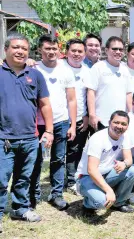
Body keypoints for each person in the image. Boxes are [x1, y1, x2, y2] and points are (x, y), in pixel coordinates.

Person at [0, 33, 54, 230]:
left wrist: (49, 131)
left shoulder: (36, 75)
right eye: (15, 47)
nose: (20, 51)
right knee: (0, 178)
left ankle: (20, 208)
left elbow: (45, 105)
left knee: (24, 177)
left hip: (30, 138)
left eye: (24, 48)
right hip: (3, 138)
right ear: (6, 49)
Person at [30, 34, 76, 211]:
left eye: (54, 48)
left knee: (58, 159)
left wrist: (72, 124)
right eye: (47, 48)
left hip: (60, 121)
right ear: (40, 50)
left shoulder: (66, 70)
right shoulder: (33, 68)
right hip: (37, 123)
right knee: (36, 160)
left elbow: (71, 100)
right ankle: (33, 195)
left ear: (59, 50)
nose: (51, 52)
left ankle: (56, 194)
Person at [76, 111, 134, 214]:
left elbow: (129, 160)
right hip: (86, 177)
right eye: (116, 122)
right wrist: (109, 190)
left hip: (106, 174)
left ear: (127, 126)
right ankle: (87, 204)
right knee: (102, 203)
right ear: (109, 122)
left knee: (133, 171)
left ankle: (119, 203)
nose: (119, 126)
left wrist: (124, 164)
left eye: (123, 124)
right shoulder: (98, 138)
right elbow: (91, 170)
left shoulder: (124, 137)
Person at [62, 39, 91, 194]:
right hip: (59, 118)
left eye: (80, 51)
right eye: (73, 50)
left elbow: (88, 95)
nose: (77, 54)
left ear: (84, 54)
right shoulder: (59, 67)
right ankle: (58, 182)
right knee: (58, 153)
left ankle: (72, 181)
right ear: (67, 51)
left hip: (80, 118)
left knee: (75, 151)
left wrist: (85, 115)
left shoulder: (87, 70)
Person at [87, 36, 131, 132]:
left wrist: (131, 114)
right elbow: (91, 92)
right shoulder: (98, 67)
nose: (118, 52)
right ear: (106, 50)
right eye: (114, 49)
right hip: (101, 120)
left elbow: (128, 94)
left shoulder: (125, 69)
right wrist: (92, 115)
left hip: (120, 121)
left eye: (120, 49)